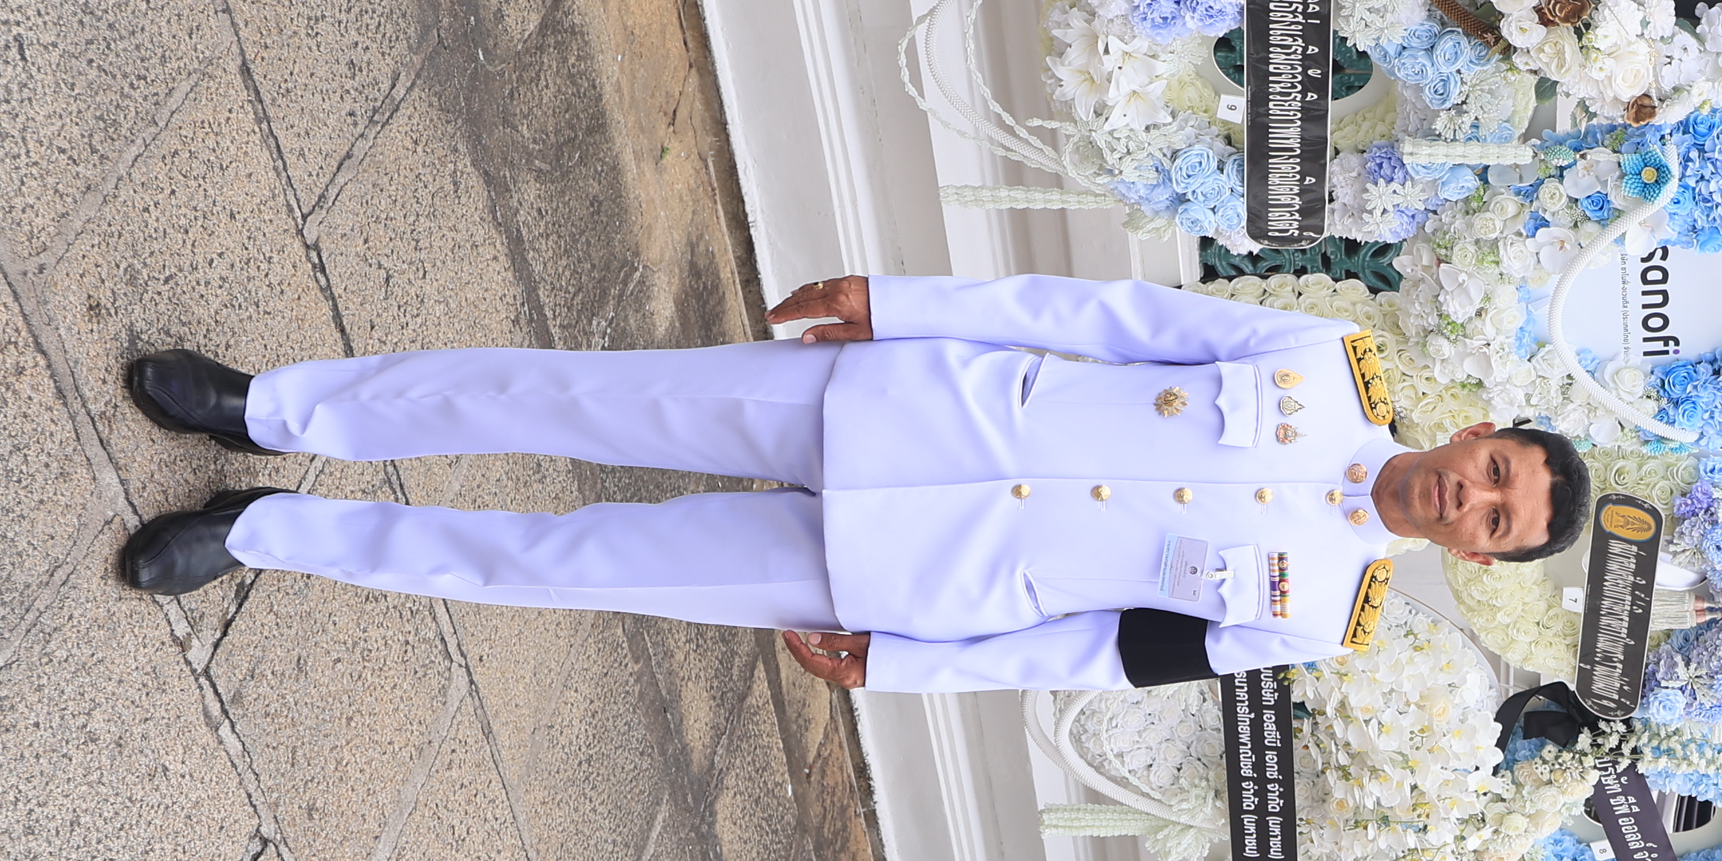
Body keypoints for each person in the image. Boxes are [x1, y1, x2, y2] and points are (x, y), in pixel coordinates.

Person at [112, 271, 1588, 693]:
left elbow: (1097, 655)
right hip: (903, 403)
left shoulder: (1321, 614)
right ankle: (271, 406)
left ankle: (266, 531)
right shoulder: (1326, 361)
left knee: (566, 565)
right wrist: (901, 300)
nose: (1481, 502)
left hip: (916, 581)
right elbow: (1100, 318)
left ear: (1484, 562)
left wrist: (898, 671)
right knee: (572, 395)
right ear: (1482, 434)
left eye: (1504, 528)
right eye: (1501, 473)